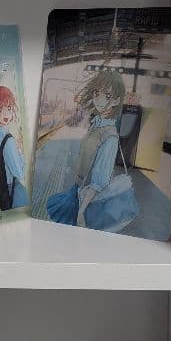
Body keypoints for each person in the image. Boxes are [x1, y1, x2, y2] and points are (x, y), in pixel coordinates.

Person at [46, 67, 131, 229]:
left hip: (87, 200)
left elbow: (100, 181)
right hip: (78, 191)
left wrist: (82, 211)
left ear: (116, 101)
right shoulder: (96, 125)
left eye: (107, 95)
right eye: (96, 93)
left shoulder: (110, 137)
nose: (99, 99)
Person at [0, 84, 28, 210]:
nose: (6, 113)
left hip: (1, 190)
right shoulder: (9, 140)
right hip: (12, 191)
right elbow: (19, 173)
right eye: (0, 109)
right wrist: (21, 151)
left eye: (9, 107)